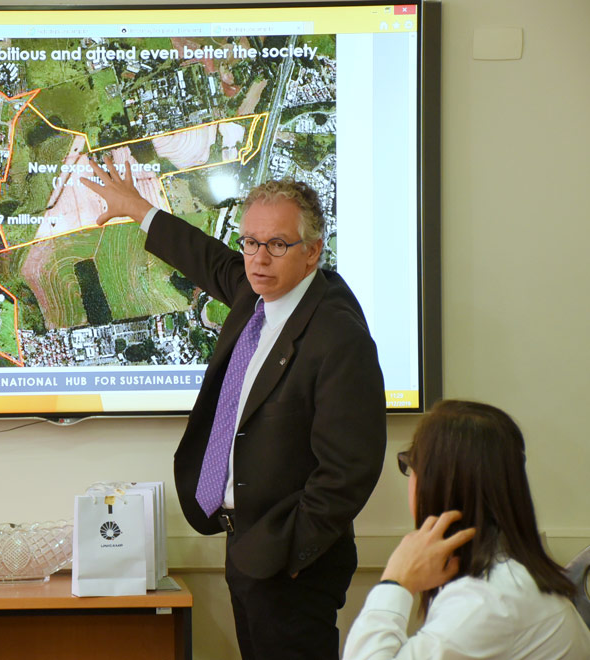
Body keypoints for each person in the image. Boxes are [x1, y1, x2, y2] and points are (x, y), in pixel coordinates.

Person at [83, 156, 387, 658]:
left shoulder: (336, 336)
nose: (258, 258)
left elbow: (349, 470)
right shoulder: (258, 295)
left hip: (290, 564)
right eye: (250, 241)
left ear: (312, 252)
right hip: (246, 546)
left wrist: (287, 552)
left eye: (276, 245)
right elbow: (208, 258)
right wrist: (138, 210)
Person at [344, 399, 590, 659]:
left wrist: (395, 582)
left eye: (410, 463)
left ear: (436, 482)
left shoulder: (487, 602)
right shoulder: (507, 577)